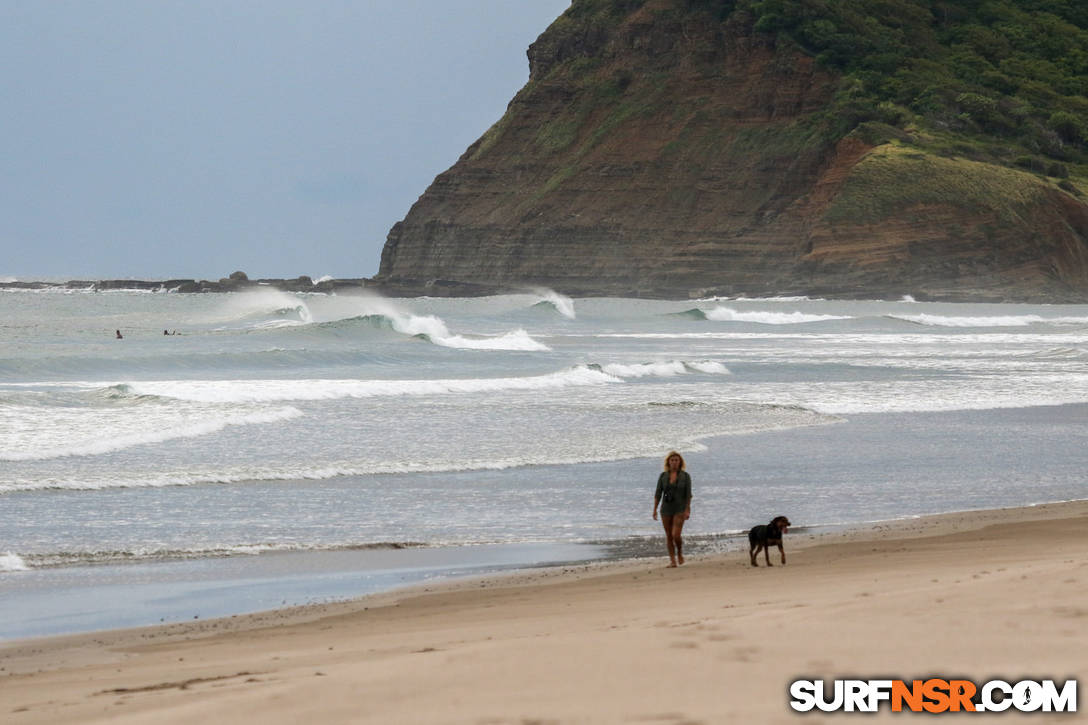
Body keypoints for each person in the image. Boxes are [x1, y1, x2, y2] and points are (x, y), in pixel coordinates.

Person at [652, 450, 692, 567]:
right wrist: (654, 509)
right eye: (672, 460)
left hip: (680, 508)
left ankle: (679, 553)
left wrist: (687, 509)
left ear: (680, 462)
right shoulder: (663, 476)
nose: (674, 462)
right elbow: (658, 493)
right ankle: (672, 560)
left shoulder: (685, 476)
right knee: (669, 535)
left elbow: (688, 494)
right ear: (668, 462)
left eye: (676, 460)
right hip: (666, 509)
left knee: (676, 535)